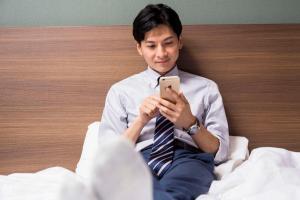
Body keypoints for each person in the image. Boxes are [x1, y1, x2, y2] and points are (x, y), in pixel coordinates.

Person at [99, 3, 229, 200]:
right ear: (139, 48)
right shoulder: (120, 91)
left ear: (179, 42)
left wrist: (190, 123)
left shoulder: (207, 88)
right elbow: (109, 157)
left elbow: (219, 154)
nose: (161, 53)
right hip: (137, 159)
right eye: (151, 45)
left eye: (168, 43)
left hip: (189, 159)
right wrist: (140, 121)